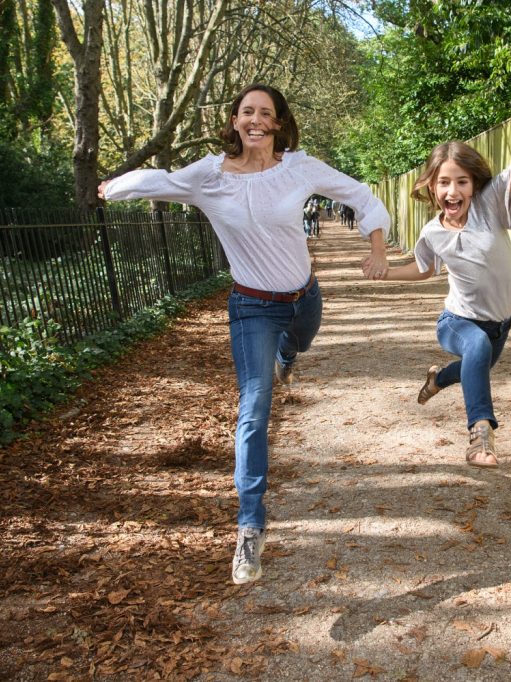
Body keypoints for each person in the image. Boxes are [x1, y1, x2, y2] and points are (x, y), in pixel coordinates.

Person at [99, 83, 391, 584]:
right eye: (247, 111)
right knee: (254, 408)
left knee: (298, 344)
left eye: (266, 113)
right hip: (252, 307)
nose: (256, 119)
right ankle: (250, 526)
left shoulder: (298, 167)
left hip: (303, 298)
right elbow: (161, 181)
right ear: (234, 121)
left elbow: (358, 194)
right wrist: (114, 187)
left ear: (278, 123)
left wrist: (378, 248)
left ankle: (287, 357)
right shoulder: (209, 176)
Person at [369, 53, 511, 468]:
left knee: (475, 365)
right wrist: (386, 274)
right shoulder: (432, 232)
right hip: (457, 321)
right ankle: (481, 435)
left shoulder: (490, 204)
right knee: (473, 348)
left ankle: (438, 379)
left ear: (474, 185)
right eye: (444, 182)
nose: (453, 190)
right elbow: (424, 269)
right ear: (432, 187)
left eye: (462, 181)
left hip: (501, 323)